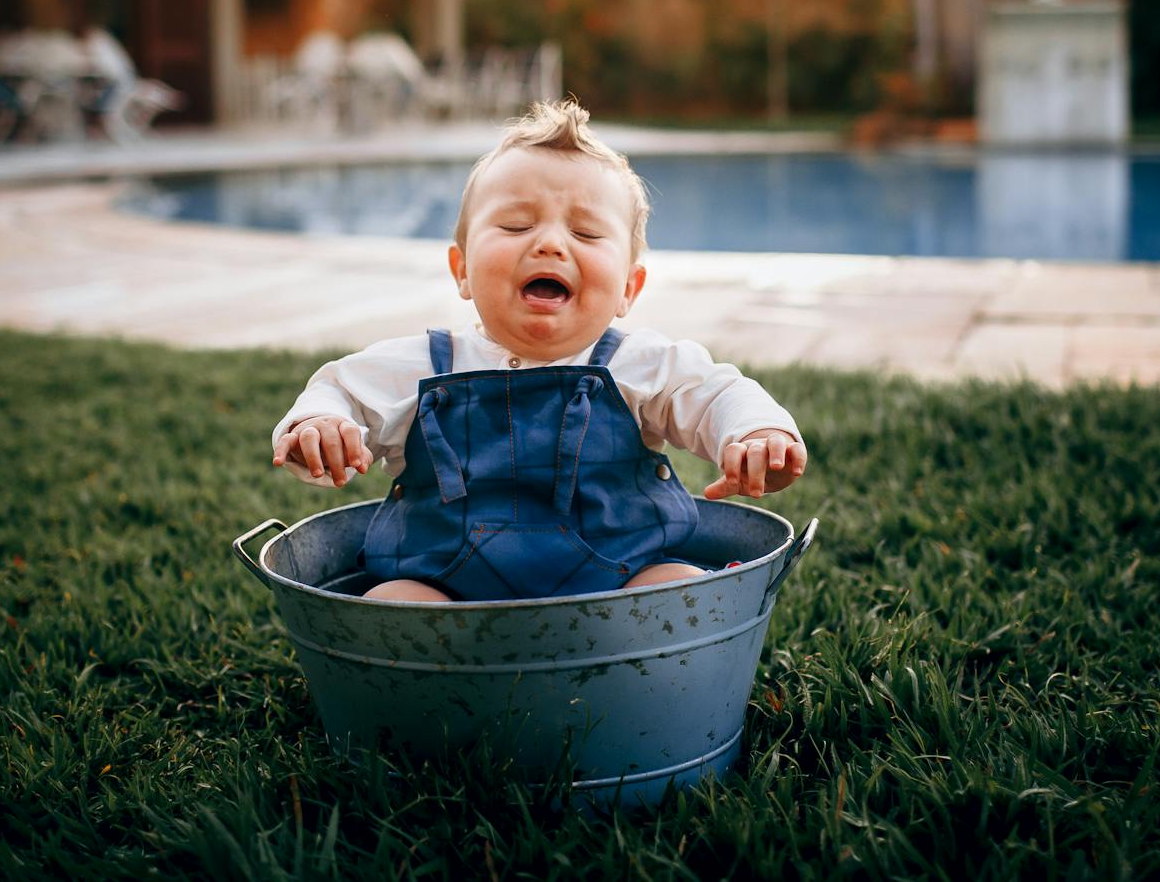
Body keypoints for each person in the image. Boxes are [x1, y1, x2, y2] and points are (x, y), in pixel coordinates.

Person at [271, 98, 808, 602]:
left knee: (679, 588)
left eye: (587, 233)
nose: (550, 243)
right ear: (462, 271)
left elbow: (716, 393)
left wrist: (757, 433)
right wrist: (319, 424)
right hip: (442, 591)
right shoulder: (424, 365)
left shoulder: (638, 365)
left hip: (618, 585)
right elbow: (338, 388)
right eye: (516, 225)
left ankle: (648, 685)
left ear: (628, 288)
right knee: (390, 604)